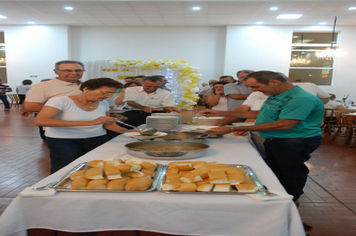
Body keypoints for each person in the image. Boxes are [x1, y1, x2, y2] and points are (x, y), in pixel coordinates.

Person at [199, 71, 324, 202]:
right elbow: (260, 114)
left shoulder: (300, 99)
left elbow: (284, 124)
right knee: (275, 170)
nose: (253, 90)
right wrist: (218, 112)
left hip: (294, 141)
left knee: (291, 172)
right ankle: (279, 193)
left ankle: (290, 200)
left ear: (274, 82)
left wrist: (233, 128)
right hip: (277, 140)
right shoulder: (278, 94)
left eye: (256, 87)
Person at [34, 78, 131, 174]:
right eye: (105, 92)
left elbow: (107, 124)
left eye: (112, 93)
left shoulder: (104, 103)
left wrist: (128, 132)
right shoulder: (60, 101)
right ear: (86, 89)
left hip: (96, 138)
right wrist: (89, 123)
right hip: (64, 141)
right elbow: (40, 121)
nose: (109, 96)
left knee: (96, 167)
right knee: (68, 169)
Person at [22, 60, 85, 140]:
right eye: (67, 70)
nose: (74, 73)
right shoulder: (43, 86)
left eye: (78, 70)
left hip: (90, 130)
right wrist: (70, 111)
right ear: (56, 72)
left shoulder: (87, 86)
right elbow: (31, 106)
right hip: (61, 132)